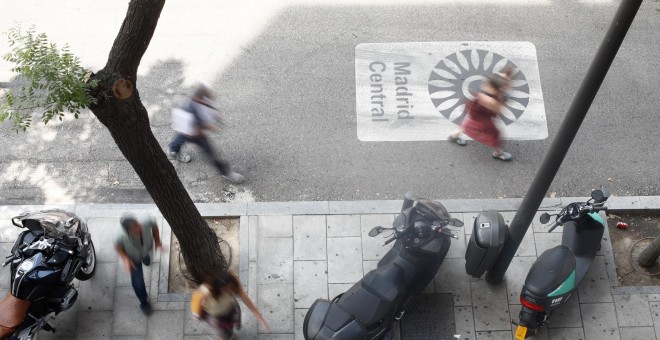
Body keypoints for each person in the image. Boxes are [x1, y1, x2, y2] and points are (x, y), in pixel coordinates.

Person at [168, 84, 245, 184]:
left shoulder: (201, 98)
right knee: (209, 151)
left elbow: (207, 109)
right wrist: (210, 127)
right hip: (193, 132)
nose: (208, 101)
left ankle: (173, 149)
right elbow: (195, 130)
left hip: (189, 129)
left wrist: (214, 116)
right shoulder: (189, 109)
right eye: (205, 99)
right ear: (199, 99)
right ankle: (225, 172)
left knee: (180, 137)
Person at [448, 74, 513, 161]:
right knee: (493, 134)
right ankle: (498, 153)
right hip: (482, 119)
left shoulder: (485, 94)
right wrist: (503, 101)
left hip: (476, 115)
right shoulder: (489, 99)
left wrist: (505, 81)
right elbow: (498, 110)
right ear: (494, 89)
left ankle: (453, 136)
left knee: (466, 125)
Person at [191, 272, 269, 339]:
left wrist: (259, 317)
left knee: (231, 327)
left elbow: (246, 300)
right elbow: (196, 303)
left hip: (231, 309)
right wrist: (197, 315)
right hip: (217, 316)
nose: (231, 291)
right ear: (217, 288)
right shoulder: (206, 290)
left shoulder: (233, 282)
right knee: (225, 334)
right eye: (226, 289)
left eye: (231, 288)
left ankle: (229, 334)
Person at [114, 213, 161, 315]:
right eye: (135, 227)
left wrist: (157, 240)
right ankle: (143, 301)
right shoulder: (119, 237)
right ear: (128, 231)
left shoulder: (146, 220)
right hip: (133, 257)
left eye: (138, 224)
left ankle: (145, 257)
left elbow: (154, 226)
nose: (139, 227)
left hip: (146, 249)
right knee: (138, 281)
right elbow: (118, 247)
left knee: (146, 256)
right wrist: (126, 259)